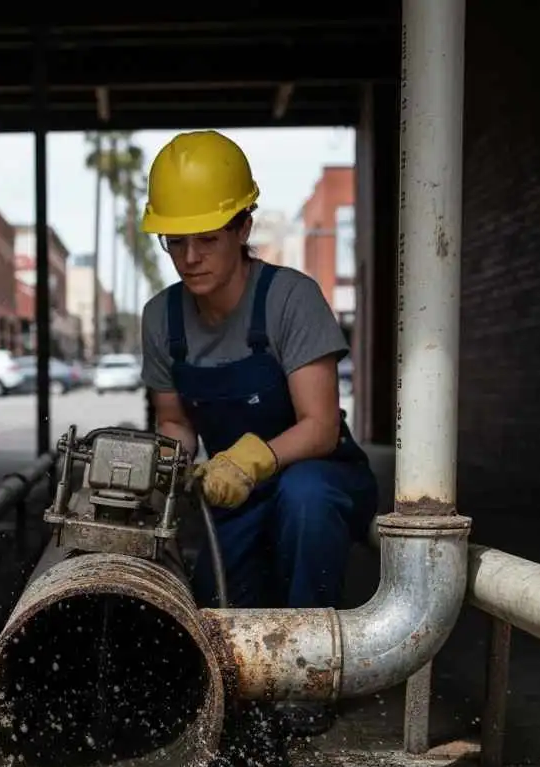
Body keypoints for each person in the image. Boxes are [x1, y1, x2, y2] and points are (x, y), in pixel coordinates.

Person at [138, 130, 379, 734]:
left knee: (305, 501)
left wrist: (249, 459)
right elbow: (174, 421)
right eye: (176, 241)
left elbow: (321, 427)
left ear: (243, 228)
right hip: (236, 490)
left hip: (320, 475)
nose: (190, 256)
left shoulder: (289, 299)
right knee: (218, 622)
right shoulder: (161, 319)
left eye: (207, 238)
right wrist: (168, 463)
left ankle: (308, 675)